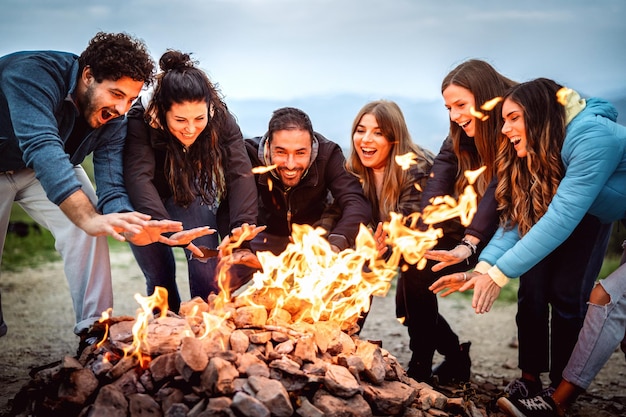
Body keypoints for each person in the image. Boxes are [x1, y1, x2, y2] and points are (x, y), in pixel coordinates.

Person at [429, 78, 622, 415]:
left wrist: (500, 274)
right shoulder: (538, 149)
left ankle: (558, 393)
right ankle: (540, 385)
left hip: (589, 218)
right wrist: (484, 268)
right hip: (584, 211)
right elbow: (519, 219)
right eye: (504, 119)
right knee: (555, 294)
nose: (505, 129)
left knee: (585, 297)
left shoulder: (592, 137)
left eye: (514, 118)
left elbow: (561, 216)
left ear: (540, 114)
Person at [0, 32, 186, 350]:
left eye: (130, 99)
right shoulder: (31, 73)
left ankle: (94, 332)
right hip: (32, 156)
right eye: (116, 94)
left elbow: (111, 186)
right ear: (88, 76)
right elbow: (41, 145)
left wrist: (131, 224)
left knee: (93, 225)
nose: (122, 108)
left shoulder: (115, 118)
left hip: (42, 170)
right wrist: (86, 217)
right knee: (87, 218)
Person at [395, 59, 516, 384]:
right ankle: (434, 361)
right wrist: (424, 226)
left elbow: (496, 190)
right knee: (414, 274)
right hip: (471, 228)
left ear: (486, 95)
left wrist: (471, 239)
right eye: (449, 107)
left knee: (547, 299)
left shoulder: (514, 123)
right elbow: (442, 172)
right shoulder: (460, 133)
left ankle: (541, 385)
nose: (454, 115)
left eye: (461, 104)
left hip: (507, 230)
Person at [124, 50, 260, 313]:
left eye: (199, 119)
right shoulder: (139, 118)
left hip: (188, 190)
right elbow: (138, 176)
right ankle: (165, 335)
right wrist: (163, 226)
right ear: (161, 112)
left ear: (209, 108)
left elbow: (239, 172)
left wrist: (243, 223)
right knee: (159, 274)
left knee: (206, 263)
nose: (190, 128)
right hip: (142, 198)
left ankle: (208, 330)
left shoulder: (220, 116)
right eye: (180, 120)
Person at [345, 99, 445, 381]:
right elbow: (350, 212)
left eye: (377, 132)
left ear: (393, 138)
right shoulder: (353, 169)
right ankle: (457, 352)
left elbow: (410, 225)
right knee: (393, 296)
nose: (366, 139)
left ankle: (422, 364)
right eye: (361, 130)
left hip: (432, 241)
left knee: (413, 287)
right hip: (385, 241)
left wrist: (373, 249)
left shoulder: (416, 166)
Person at [244, 107, 372, 256]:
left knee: (355, 270)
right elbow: (232, 204)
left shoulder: (328, 154)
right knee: (220, 270)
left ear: (312, 147)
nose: (290, 164)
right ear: (267, 146)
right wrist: (241, 247)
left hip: (316, 236)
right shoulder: (249, 155)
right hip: (264, 235)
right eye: (281, 152)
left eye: (300, 153)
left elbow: (355, 201)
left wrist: (336, 244)